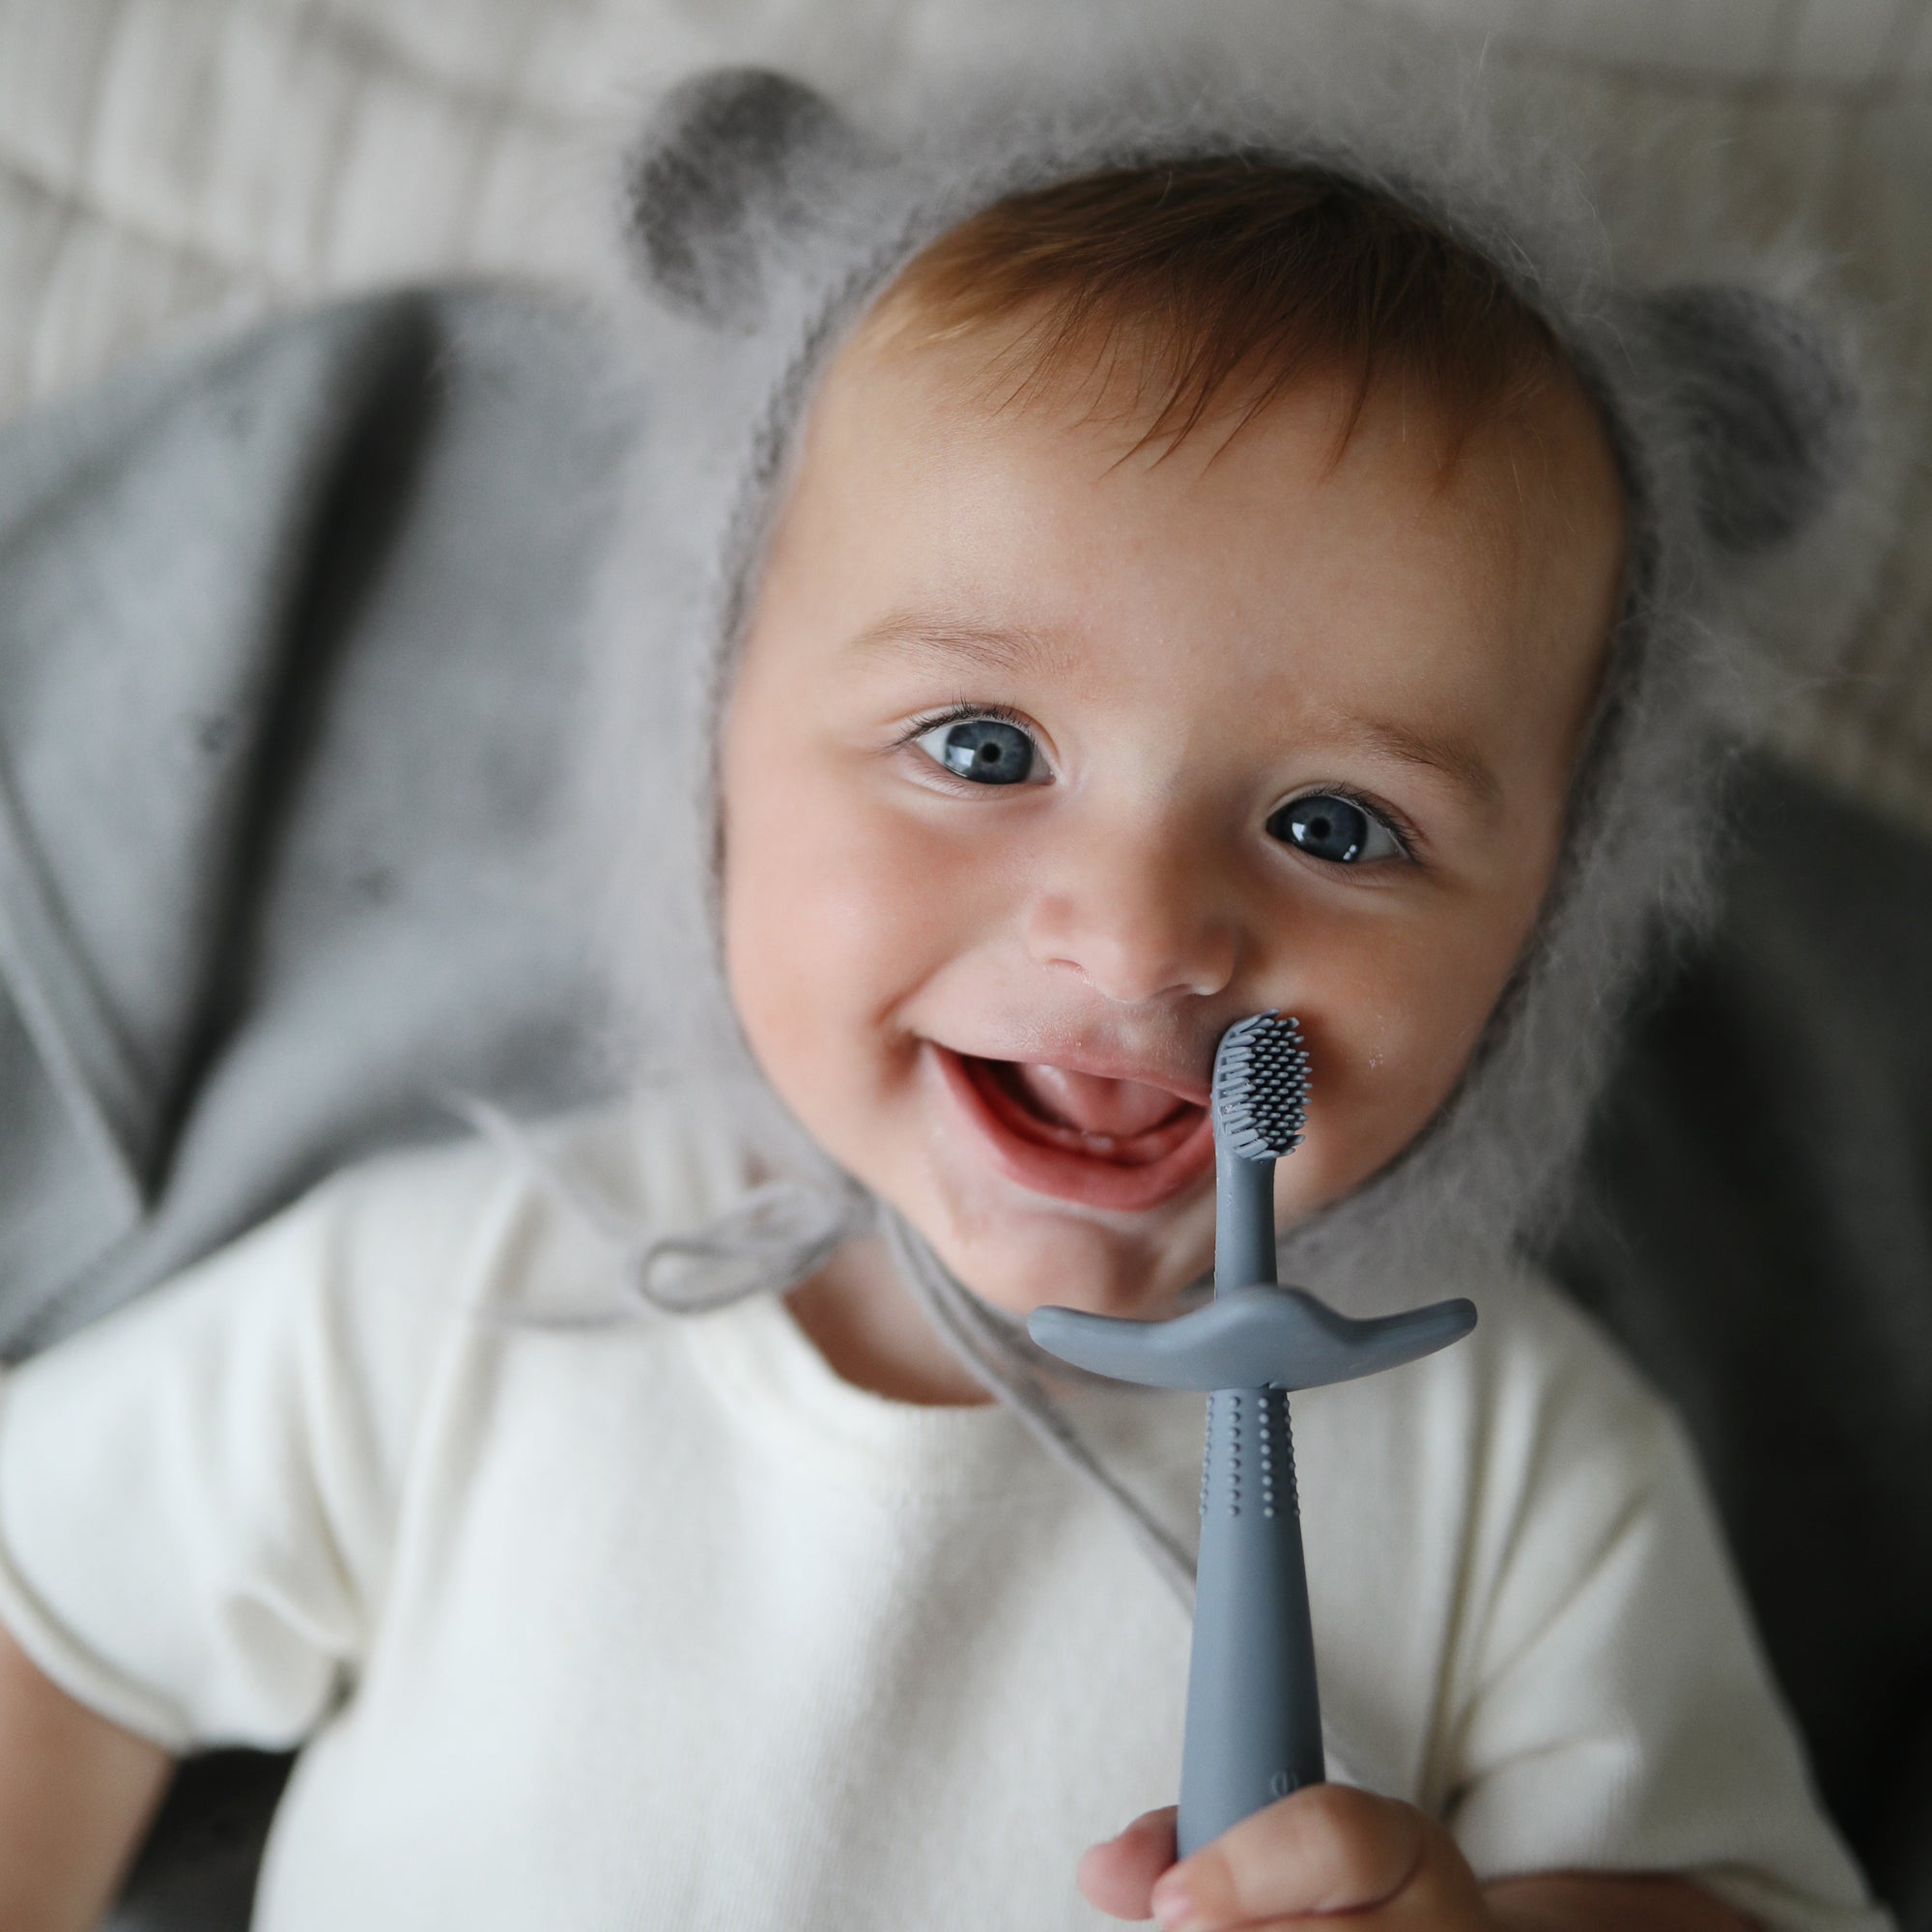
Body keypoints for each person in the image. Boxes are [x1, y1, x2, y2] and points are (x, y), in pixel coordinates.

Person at [0, 60, 1891, 1932]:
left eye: (1336, 820)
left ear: (1552, 928)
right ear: (709, 761)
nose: (1142, 937)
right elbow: (46, 1617)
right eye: (982, 746)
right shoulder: (473, 1297)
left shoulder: (1517, 1459)